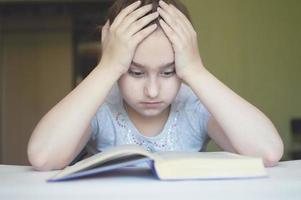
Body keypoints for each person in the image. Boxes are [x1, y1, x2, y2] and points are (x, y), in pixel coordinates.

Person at [27, 0, 284, 171]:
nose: (152, 91)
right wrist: (106, 67)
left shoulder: (193, 106)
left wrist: (195, 71)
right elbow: (43, 157)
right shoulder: (101, 107)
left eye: (169, 72)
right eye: (136, 72)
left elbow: (268, 152)